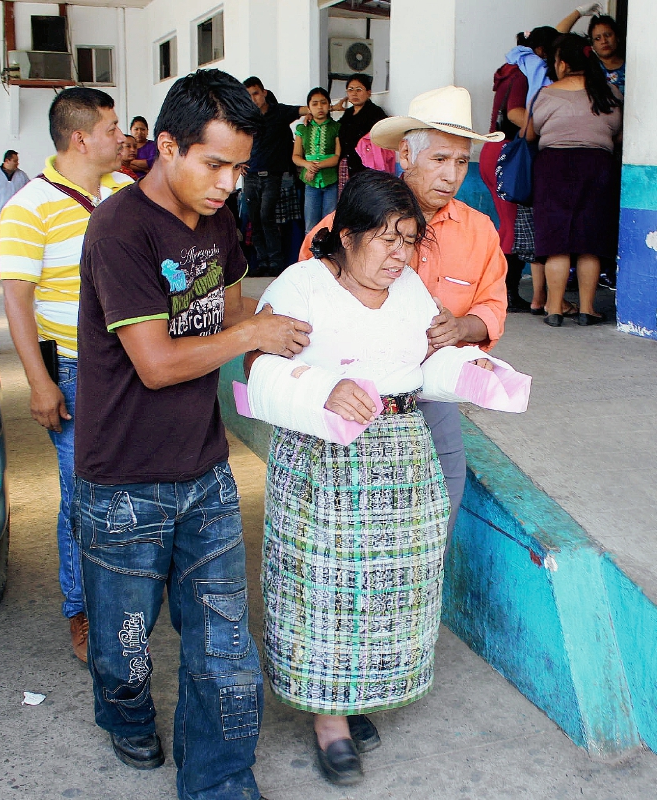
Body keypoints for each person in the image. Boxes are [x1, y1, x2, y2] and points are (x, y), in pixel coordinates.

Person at [73, 68, 308, 798]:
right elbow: (158, 363)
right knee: (128, 650)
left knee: (226, 651)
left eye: (240, 166)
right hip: (123, 483)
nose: (230, 183)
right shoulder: (119, 230)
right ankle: (124, 710)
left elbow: (234, 313)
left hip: (204, 469)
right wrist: (253, 332)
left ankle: (219, 783)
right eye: (215, 164)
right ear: (165, 147)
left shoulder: (216, 218)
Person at [251, 170, 472, 786]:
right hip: (325, 460)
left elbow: (427, 363)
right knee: (326, 588)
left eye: (408, 241)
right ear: (345, 236)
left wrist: (469, 367)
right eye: (385, 239)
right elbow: (260, 371)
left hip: (402, 453)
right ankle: (329, 719)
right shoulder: (301, 287)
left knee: (389, 588)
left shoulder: (408, 292)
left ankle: (354, 693)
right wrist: (325, 388)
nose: (399, 255)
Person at [301, 85, 508, 533]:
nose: (451, 174)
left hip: (430, 388)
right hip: (352, 390)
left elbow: (491, 308)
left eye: (461, 161)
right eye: (439, 159)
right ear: (405, 157)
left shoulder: (480, 232)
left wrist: (460, 328)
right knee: (352, 515)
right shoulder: (348, 225)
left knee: (443, 499)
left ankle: (418, 598)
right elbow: (304, 301)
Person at [0, 88, 133, 662]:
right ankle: (81, 611)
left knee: (137, 487)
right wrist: (39, 382)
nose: (122, 135)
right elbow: (17, 302)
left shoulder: (129, 192)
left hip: (135, 365)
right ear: (80, 138)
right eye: (112, 127)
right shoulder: (28, 207)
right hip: (76, 372)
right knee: (82, 496)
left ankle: (130, 597)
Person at [525, 33, 623, 327]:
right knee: (589, 240)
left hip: (553, 166)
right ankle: (587, 308)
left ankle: (554, 308)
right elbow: (618, 135)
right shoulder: (610, 93)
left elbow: (530, 134)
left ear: (563, 63)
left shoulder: (547, 94)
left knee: (557, 239)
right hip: (597, 166)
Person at [479, 29, 554, 313]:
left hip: (494, 151)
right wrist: (547, 127)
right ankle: (506, 293)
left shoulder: (510, 70)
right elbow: (514, 114)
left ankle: (502, 290)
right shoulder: (523, 74)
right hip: (509, 153)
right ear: (542, 51)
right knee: (511, 227)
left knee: (506, 225)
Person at [241, 77, 310, 276]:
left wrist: (314, 114)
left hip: (272, 176)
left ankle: (275, 264)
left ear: (263, 92)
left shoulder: (279, 112)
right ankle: (262, 263)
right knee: (254, 220)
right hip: (250, 176)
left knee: (267, 217)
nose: (253, 98)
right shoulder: (246, 117)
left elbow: (305, 109)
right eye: (249, 95)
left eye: (255, 93)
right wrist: (238, 164)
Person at [292, 87, 341, 228]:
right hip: (310, 184)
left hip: (331, 182)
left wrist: (315, 167)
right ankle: (310, 251)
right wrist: (307, 165)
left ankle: (328, 251)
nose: (319, 107)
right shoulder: (302, 129)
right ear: (308, 108)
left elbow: (336, 157)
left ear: (329, 105)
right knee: (310, 225)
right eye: (314, 104)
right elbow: (295, 156)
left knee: (329, 224)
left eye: (323, 103)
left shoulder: (336, 127)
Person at [335, 73, 387, 191]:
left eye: (359, 89)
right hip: (347, 166)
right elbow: (335, 128)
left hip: (365, 168)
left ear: (368, 92)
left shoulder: (375, 113)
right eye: (350, 90)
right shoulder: (348, 113)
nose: (354, 93)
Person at [557, 5, 625, 92]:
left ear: (617, 37)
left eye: (608, 35)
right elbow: (557, 38)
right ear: (592, 44)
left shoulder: (632, 67)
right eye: (597, 38)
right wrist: (579, 12)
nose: (604, 41)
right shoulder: (589, 66)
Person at [0, 149, 30, 253]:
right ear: (7, 161)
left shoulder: (21, 175)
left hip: (16, 217)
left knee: (13, 244)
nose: (17, 163)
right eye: (15, 161)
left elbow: (29, 192)